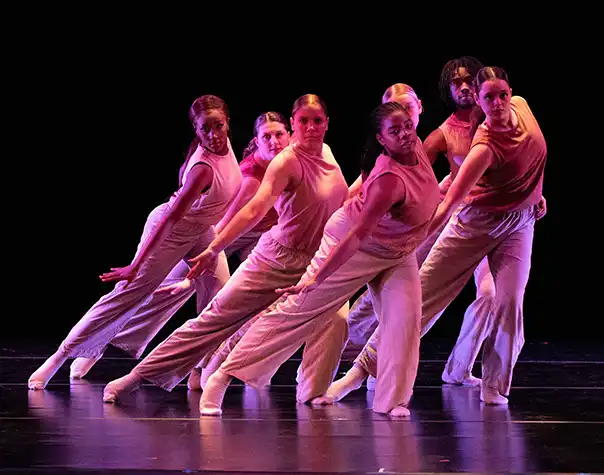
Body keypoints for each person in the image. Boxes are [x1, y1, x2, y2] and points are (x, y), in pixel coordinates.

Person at [197, 101, 441, 418]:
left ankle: (392, 400)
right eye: (395, 131)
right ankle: (222, 377)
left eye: (408, 126)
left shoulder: (417, 146)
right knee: (298, 311)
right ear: (382, 139)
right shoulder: (388, 180)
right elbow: (356, 235)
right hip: (356, 245)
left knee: (405, 319)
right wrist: (316, 277)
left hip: (399, 250)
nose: (406, 134)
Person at [102, 94, 350, 402]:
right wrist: (213, 248)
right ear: (293, 124)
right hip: (279, 258)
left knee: (336, 321)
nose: (311, 127)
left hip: (318, 262)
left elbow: (336, 204)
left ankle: (312, 393)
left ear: (327, 123)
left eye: (317, 121)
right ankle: (137, 377)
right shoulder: (287, 162)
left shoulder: (327, 153)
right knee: (215, 319)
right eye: (303, 121)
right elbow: (252, 209)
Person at [331, 66, 547, 405]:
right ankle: (360, 371)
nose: (498, 102)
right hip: (476, 221)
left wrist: (535, 193)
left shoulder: (523, 106)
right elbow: (447, 204)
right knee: (424, 297)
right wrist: (408, 237)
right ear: (479, 99)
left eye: (502, 94)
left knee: (507, 302)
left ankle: (492, 384)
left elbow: (535, 157)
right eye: (488, 97)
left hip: (519, 223)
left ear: (510, 92)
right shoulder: (482, 145)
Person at [28, 95, 242, 390]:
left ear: (228, 122)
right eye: (206, 129)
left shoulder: (226, 146)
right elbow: (169, 220)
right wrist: (135, 264)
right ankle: (58, 357)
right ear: (196, 130)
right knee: (126, 295)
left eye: (219, 126)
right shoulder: (202, 169)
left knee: (219, 297)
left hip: (202, 230)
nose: (214, 135)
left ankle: (198, 368)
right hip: (172, 232)